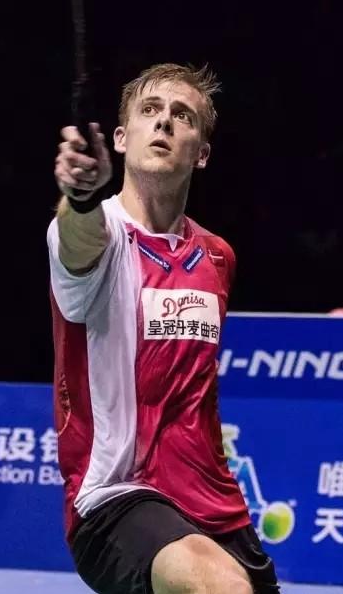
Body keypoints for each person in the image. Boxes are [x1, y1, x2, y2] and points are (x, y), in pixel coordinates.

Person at [47, 64, 280, 594]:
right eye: (150, 110)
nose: (164, 122)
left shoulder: (217, 256)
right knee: (221, 589)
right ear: (121, 138)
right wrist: (80, 197)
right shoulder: (102, 234)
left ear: (202, 154)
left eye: (183, 116)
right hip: (115, 495)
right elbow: (80, 244)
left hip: (214, 500)